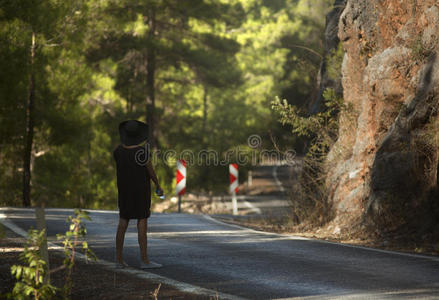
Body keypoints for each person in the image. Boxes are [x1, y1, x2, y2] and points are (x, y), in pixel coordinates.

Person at [113, 120, 163, 269]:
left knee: (123, 221)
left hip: (124, 190)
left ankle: (119, 259)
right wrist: (158, 185)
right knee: (142, 221)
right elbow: (150, 171)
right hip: (141, 190)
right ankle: (145, 260)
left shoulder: (117, 151)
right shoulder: (142, 152)